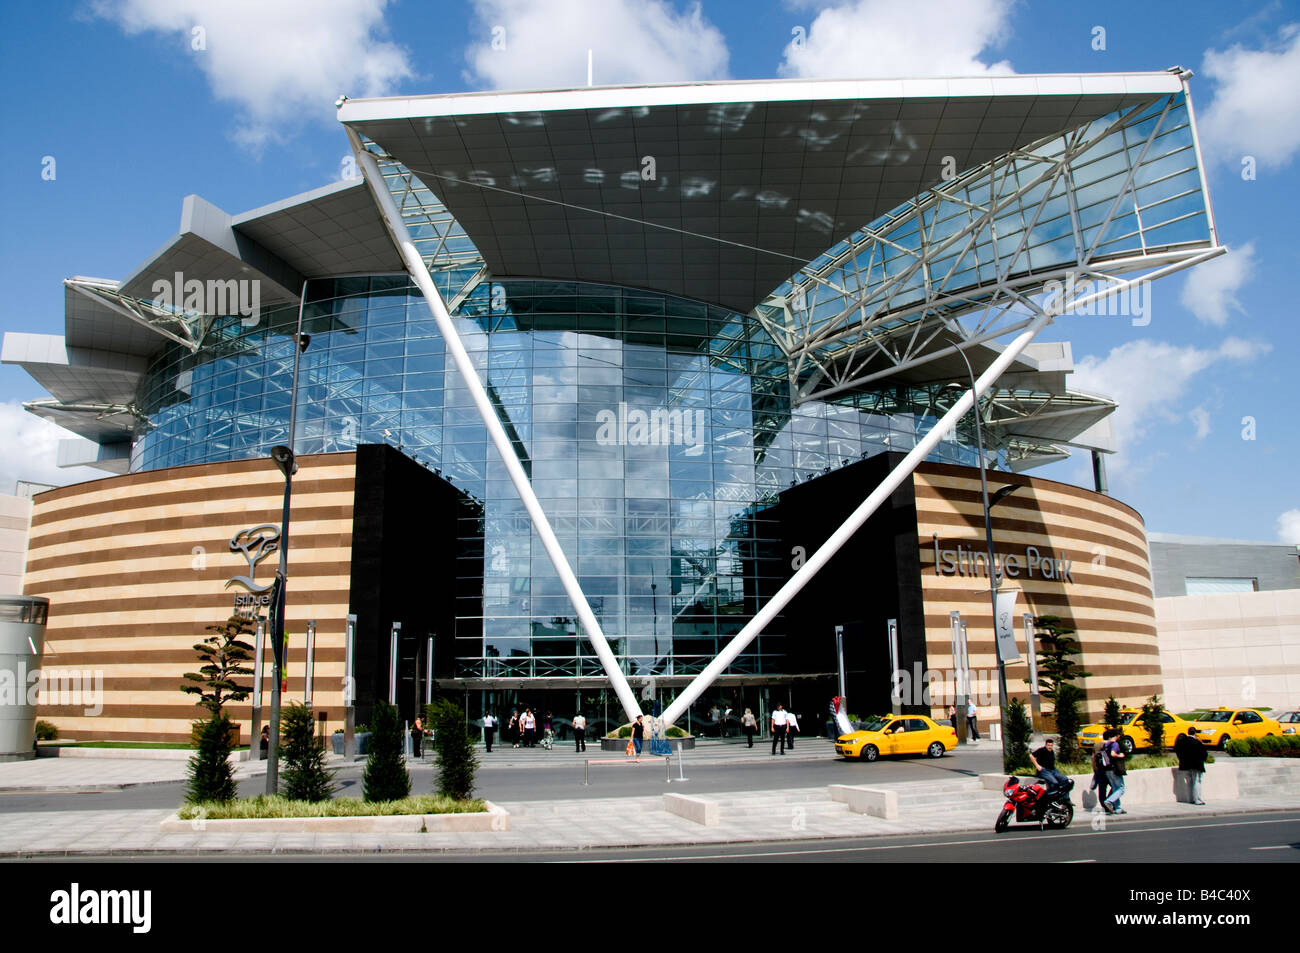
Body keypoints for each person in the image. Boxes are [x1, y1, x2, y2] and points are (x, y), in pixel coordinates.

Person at [1174, 726, 1207, 805]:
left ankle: (1190, 799)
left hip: (1185, 765)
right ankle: (1197, 799)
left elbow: (1178, 751)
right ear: (1195, 733)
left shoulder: (1182, 742)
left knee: (1189, 782)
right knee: (1197, 781)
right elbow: (1204, 754)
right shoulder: (1197, 743)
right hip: (1196, 765)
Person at [1102, 728, 1127, 814]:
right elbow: (1113, 754)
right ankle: (1109, 801)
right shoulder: (1115, 744)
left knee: (1115, 788)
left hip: (1107, 769)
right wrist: (1120, 755)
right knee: (1121, 788)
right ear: (1117, 735)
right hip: (1114, 769)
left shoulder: (1106, 744)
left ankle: (1117, 808)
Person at [1089, 739, 1110, 809]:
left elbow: (1093, 759)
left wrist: (1095, 770)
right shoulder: (1110, 744)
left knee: (1102, 789)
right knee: (1116, 787)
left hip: (1099, 770)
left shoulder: (1096, 746)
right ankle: (1108, 802)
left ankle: (1104, 804)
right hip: (1106, 770)